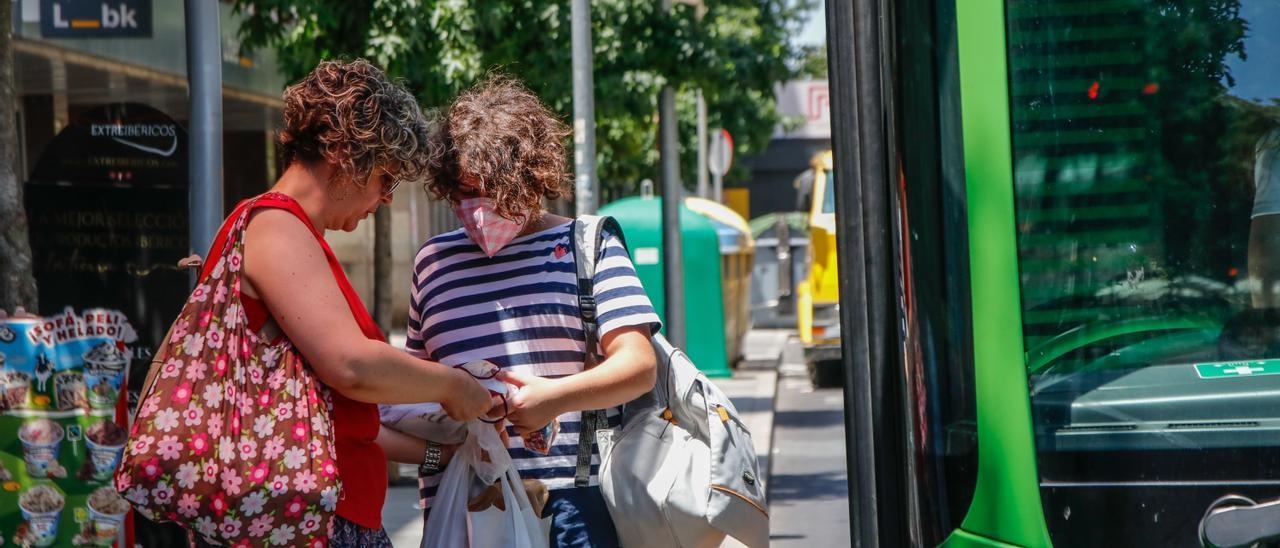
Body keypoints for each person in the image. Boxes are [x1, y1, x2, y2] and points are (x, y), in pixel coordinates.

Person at [202, 59, 497, 547]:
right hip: (310, 519)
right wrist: (454, 386)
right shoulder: (276, 227)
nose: (385, 198)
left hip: (322, 512)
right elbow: (352, 365)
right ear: (343, 151)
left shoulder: (288, 233)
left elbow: (345, 420)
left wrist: (439, 455)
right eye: (385, 178)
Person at [405, 75, 661, 547]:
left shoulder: (587, 245)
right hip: (464, 504)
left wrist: (554, 398)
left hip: (572, 506)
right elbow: (415, 390)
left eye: (491, 192)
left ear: (530, 177)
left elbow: (639, 365)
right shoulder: (433, 262)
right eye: (462, 193)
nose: (476, 209)